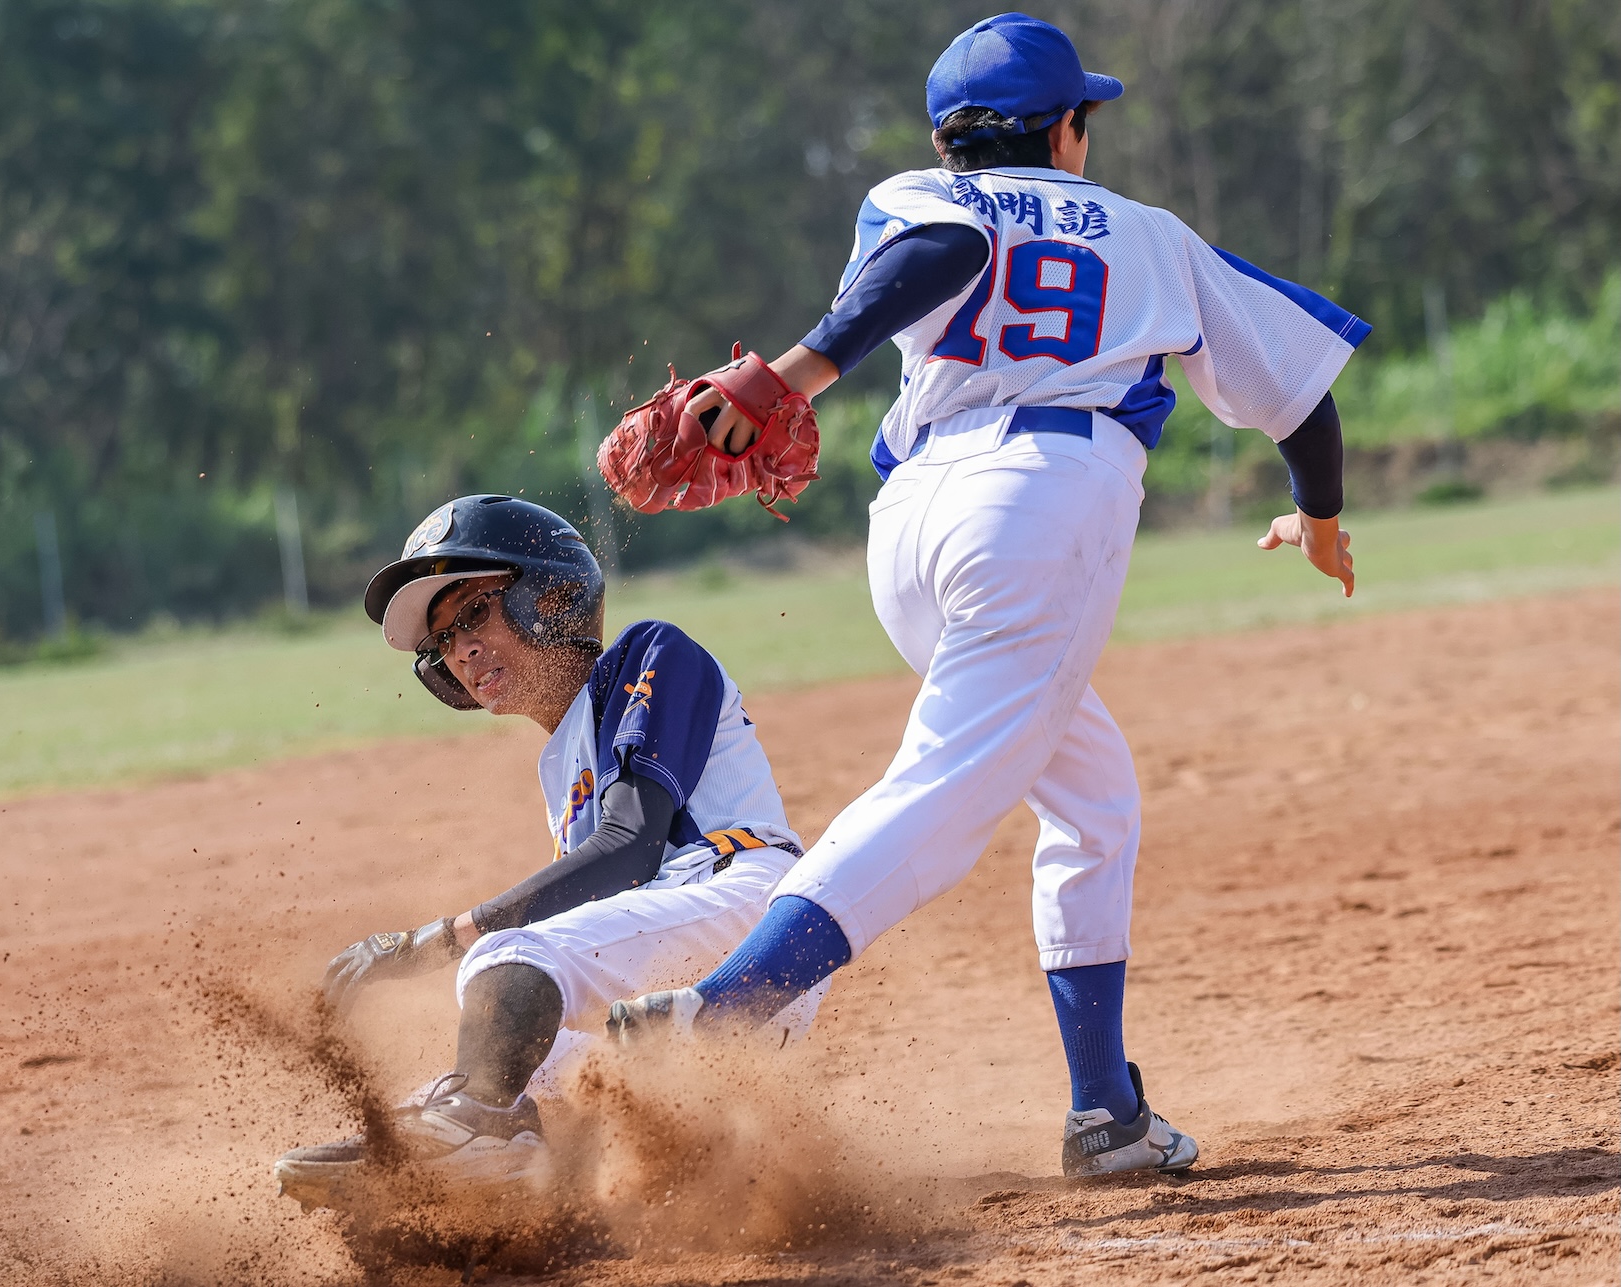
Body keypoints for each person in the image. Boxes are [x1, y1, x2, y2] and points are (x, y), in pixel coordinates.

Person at [604, 12, 1368, 1178]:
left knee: (1093, 802)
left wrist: (792, 371)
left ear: (944, 137)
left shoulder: (907, 195)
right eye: (1082, 121)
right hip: (1040, 506)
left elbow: (946, 256)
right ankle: (726, 1004)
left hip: (913, 527)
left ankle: (1105, 1115)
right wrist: (1316, 517)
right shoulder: (1150, 235)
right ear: (1067, 129)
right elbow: (1299, 400)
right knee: (944, 790)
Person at [273, 494, 821, 1208]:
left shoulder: (652, 653)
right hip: (688, 1000)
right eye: (442, 642)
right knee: (510, 1069)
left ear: (551, 595)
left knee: (503, 962)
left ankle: (481, 1133)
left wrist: (434, 938)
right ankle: (511, 1195)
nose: (460, 650)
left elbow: (629, 846)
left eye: (473, 613)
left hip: (752, 909)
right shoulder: (560, 765)